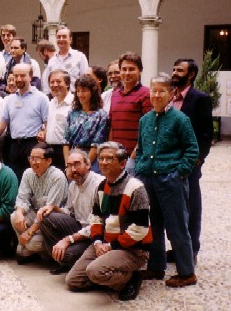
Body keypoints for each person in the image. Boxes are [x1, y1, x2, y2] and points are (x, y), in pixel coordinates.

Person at [66, 141, 152, 301]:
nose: (104, 163)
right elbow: (96, 218)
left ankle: (131, 278)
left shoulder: (135, 188)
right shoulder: (102, 187)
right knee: (73, 281)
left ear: (122, 163)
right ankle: (109, 277)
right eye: (101, 158)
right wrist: (98, 242)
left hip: (132, 250)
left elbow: (140, 229)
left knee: (94, 272)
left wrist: (111, 246)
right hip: (105, 244)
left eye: (109, 159)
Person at [136, 73, 199, 288]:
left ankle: (186, 272)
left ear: (171, 94)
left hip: (171, 181)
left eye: (161, 90)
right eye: (153, 90)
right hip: (148, 180)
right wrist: (140, 171)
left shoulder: (181, 120)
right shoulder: (145, 120)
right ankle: (156, 266)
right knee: (153, 225)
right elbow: (141, 149)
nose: (156, 94)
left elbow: (192, 150)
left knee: (177, 227)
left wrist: (179, 173)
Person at [170, 58, 214, 263]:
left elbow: (206, 133)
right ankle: (176, 248)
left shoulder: (200, 98)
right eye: (174, 69)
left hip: (189, 163)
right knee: (172, 207)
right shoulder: (169, 97)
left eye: (180, 70)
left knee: (191, 206)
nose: (175, 73)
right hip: (168, 161)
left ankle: (191, 250)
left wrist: (197, 160)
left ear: (191, 75)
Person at [38, 150, 104, 275]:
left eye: (77, 164)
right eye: (69, 166)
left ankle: (67, 259)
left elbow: (100, 224)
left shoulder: (99, 185)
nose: (73, 169)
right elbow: (69, 211)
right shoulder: (73, 185)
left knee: (66, 256)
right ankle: (60, 258)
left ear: (88, 165)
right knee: (46, 217)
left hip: (96, 235)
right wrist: (53, 208)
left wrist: (68, 240)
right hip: (79, 228)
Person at [11, 143, 68, 265]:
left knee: (32, 244)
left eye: (37, 159)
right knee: (14, 216)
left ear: (49, 161)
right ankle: (30, 249)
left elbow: (49, 211)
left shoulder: (57, 177)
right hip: (36, 218)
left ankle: (37, 250)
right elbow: (22, 198)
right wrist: (19, 212)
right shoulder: (28, 173)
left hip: (51, 224)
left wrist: (30, 232)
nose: (33, 162)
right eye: (31, 158)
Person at [0, 64, 49, 182]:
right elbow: (2, 124)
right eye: (16, 76)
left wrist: (43, 133)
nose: (18, 79)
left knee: (33, 178)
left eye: (22, 75)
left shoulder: (41, 98)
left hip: (32, 145)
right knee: (14, 179)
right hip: (14, 146)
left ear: (30, 76)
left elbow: (48, 124)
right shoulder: (10, 99)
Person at [108, 52, 152, 174]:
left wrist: (133, 157)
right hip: (117, 155)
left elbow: (148, 129)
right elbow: (112, 125)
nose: (127, 73)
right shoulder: (115, 94)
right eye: (124, 69)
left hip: (135, 158)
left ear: (140, 71)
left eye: (131, 69)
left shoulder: (146, 94)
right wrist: (112, 150)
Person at [63, 74, 109, 173]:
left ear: (92, 92)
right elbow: (66, 141)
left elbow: (96, 144)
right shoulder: (72, 113)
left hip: (92, 159)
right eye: (78, 91)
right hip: (73, 155)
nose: (80, 94)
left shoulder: (101, 115)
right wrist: (69, 164)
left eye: (83, 91)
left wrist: (85, 164)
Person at [37, 69, 73, 169]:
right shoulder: (52, 102)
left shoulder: (74, 104)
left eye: (58, 81)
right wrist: (44, 132)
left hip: (65, 151)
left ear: (67, 84)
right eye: (52, 82)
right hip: (49, 149)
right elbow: (49, 124)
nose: (55, 85)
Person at [45, 26, 89, 93]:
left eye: (64, 36)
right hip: (56, 99)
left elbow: (85, 81)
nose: (61, 39)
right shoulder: (52, 61)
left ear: (70, 39)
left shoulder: (80, 57)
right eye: (59, 37)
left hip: (74, 98)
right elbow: (47, 83)